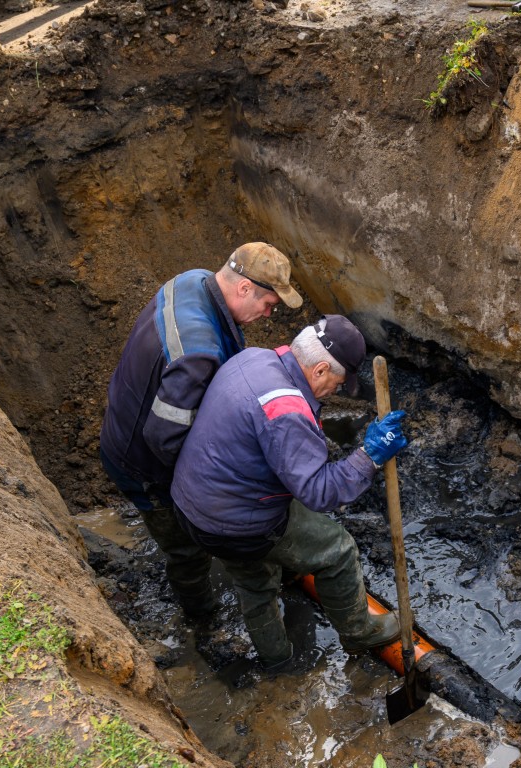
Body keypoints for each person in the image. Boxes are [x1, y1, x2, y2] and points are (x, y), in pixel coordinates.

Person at [171, 315, 408, 670]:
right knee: (338, 550)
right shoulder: (286, 409)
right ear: (320, 370)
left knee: (255, 582)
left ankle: (278, 663)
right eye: (339, 384)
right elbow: (319, 492)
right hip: (238, 523)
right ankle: (358, 632)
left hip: (192, 506)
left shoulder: (253, 358)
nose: (336, 392)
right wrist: (369, 457)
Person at [99, 242, 303, 619]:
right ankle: (203, 620)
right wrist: (213, 485)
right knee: (186, 550)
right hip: (141, 464)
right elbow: (164, 438)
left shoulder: (193, 281)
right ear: (244, 288)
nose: (268, 313)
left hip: (127, 415)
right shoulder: (198, 354)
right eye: (268, 304)